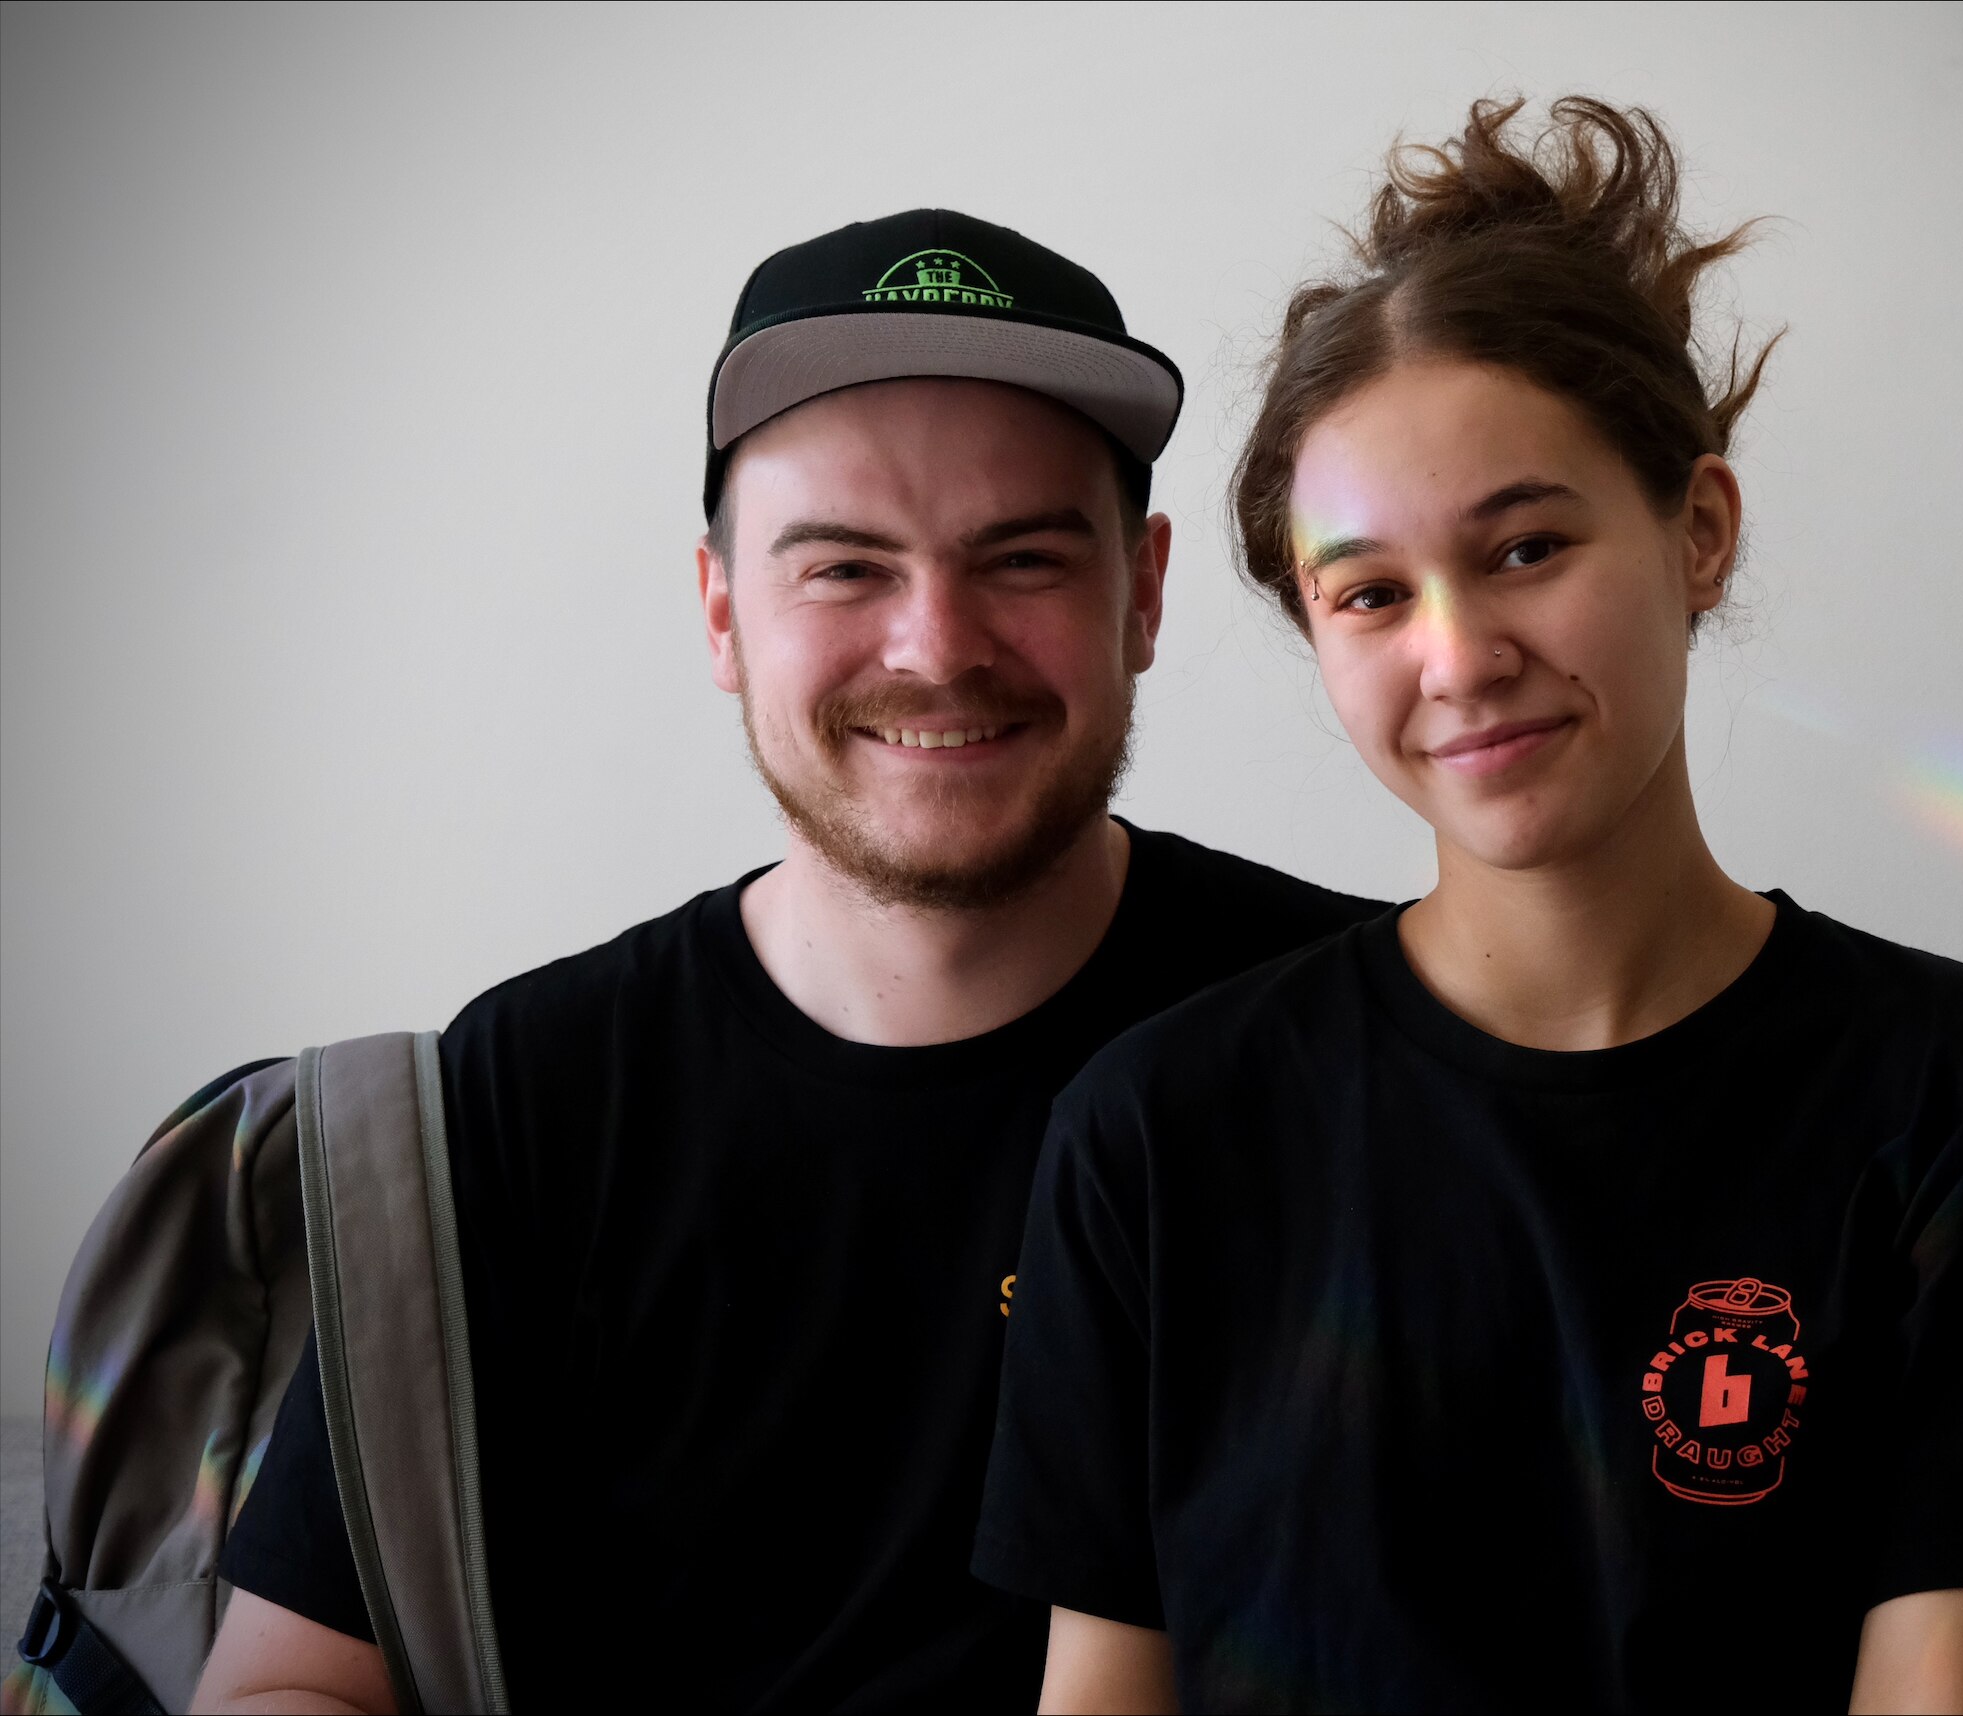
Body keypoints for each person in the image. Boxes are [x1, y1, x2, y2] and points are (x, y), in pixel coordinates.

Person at [972, 99, 1963, 1714]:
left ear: (1695, 532)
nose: (1457, 654)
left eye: (1524, 547)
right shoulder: (1153, 1135)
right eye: (1369, 594)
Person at [192, 209, 1378, 1714]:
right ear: (721, 611)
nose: (934, 645)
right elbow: (284, 1686)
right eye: (842, 569)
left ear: (1141, 594)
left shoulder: (1355, 1036)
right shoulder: (530, 1096)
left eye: (1019, 557)